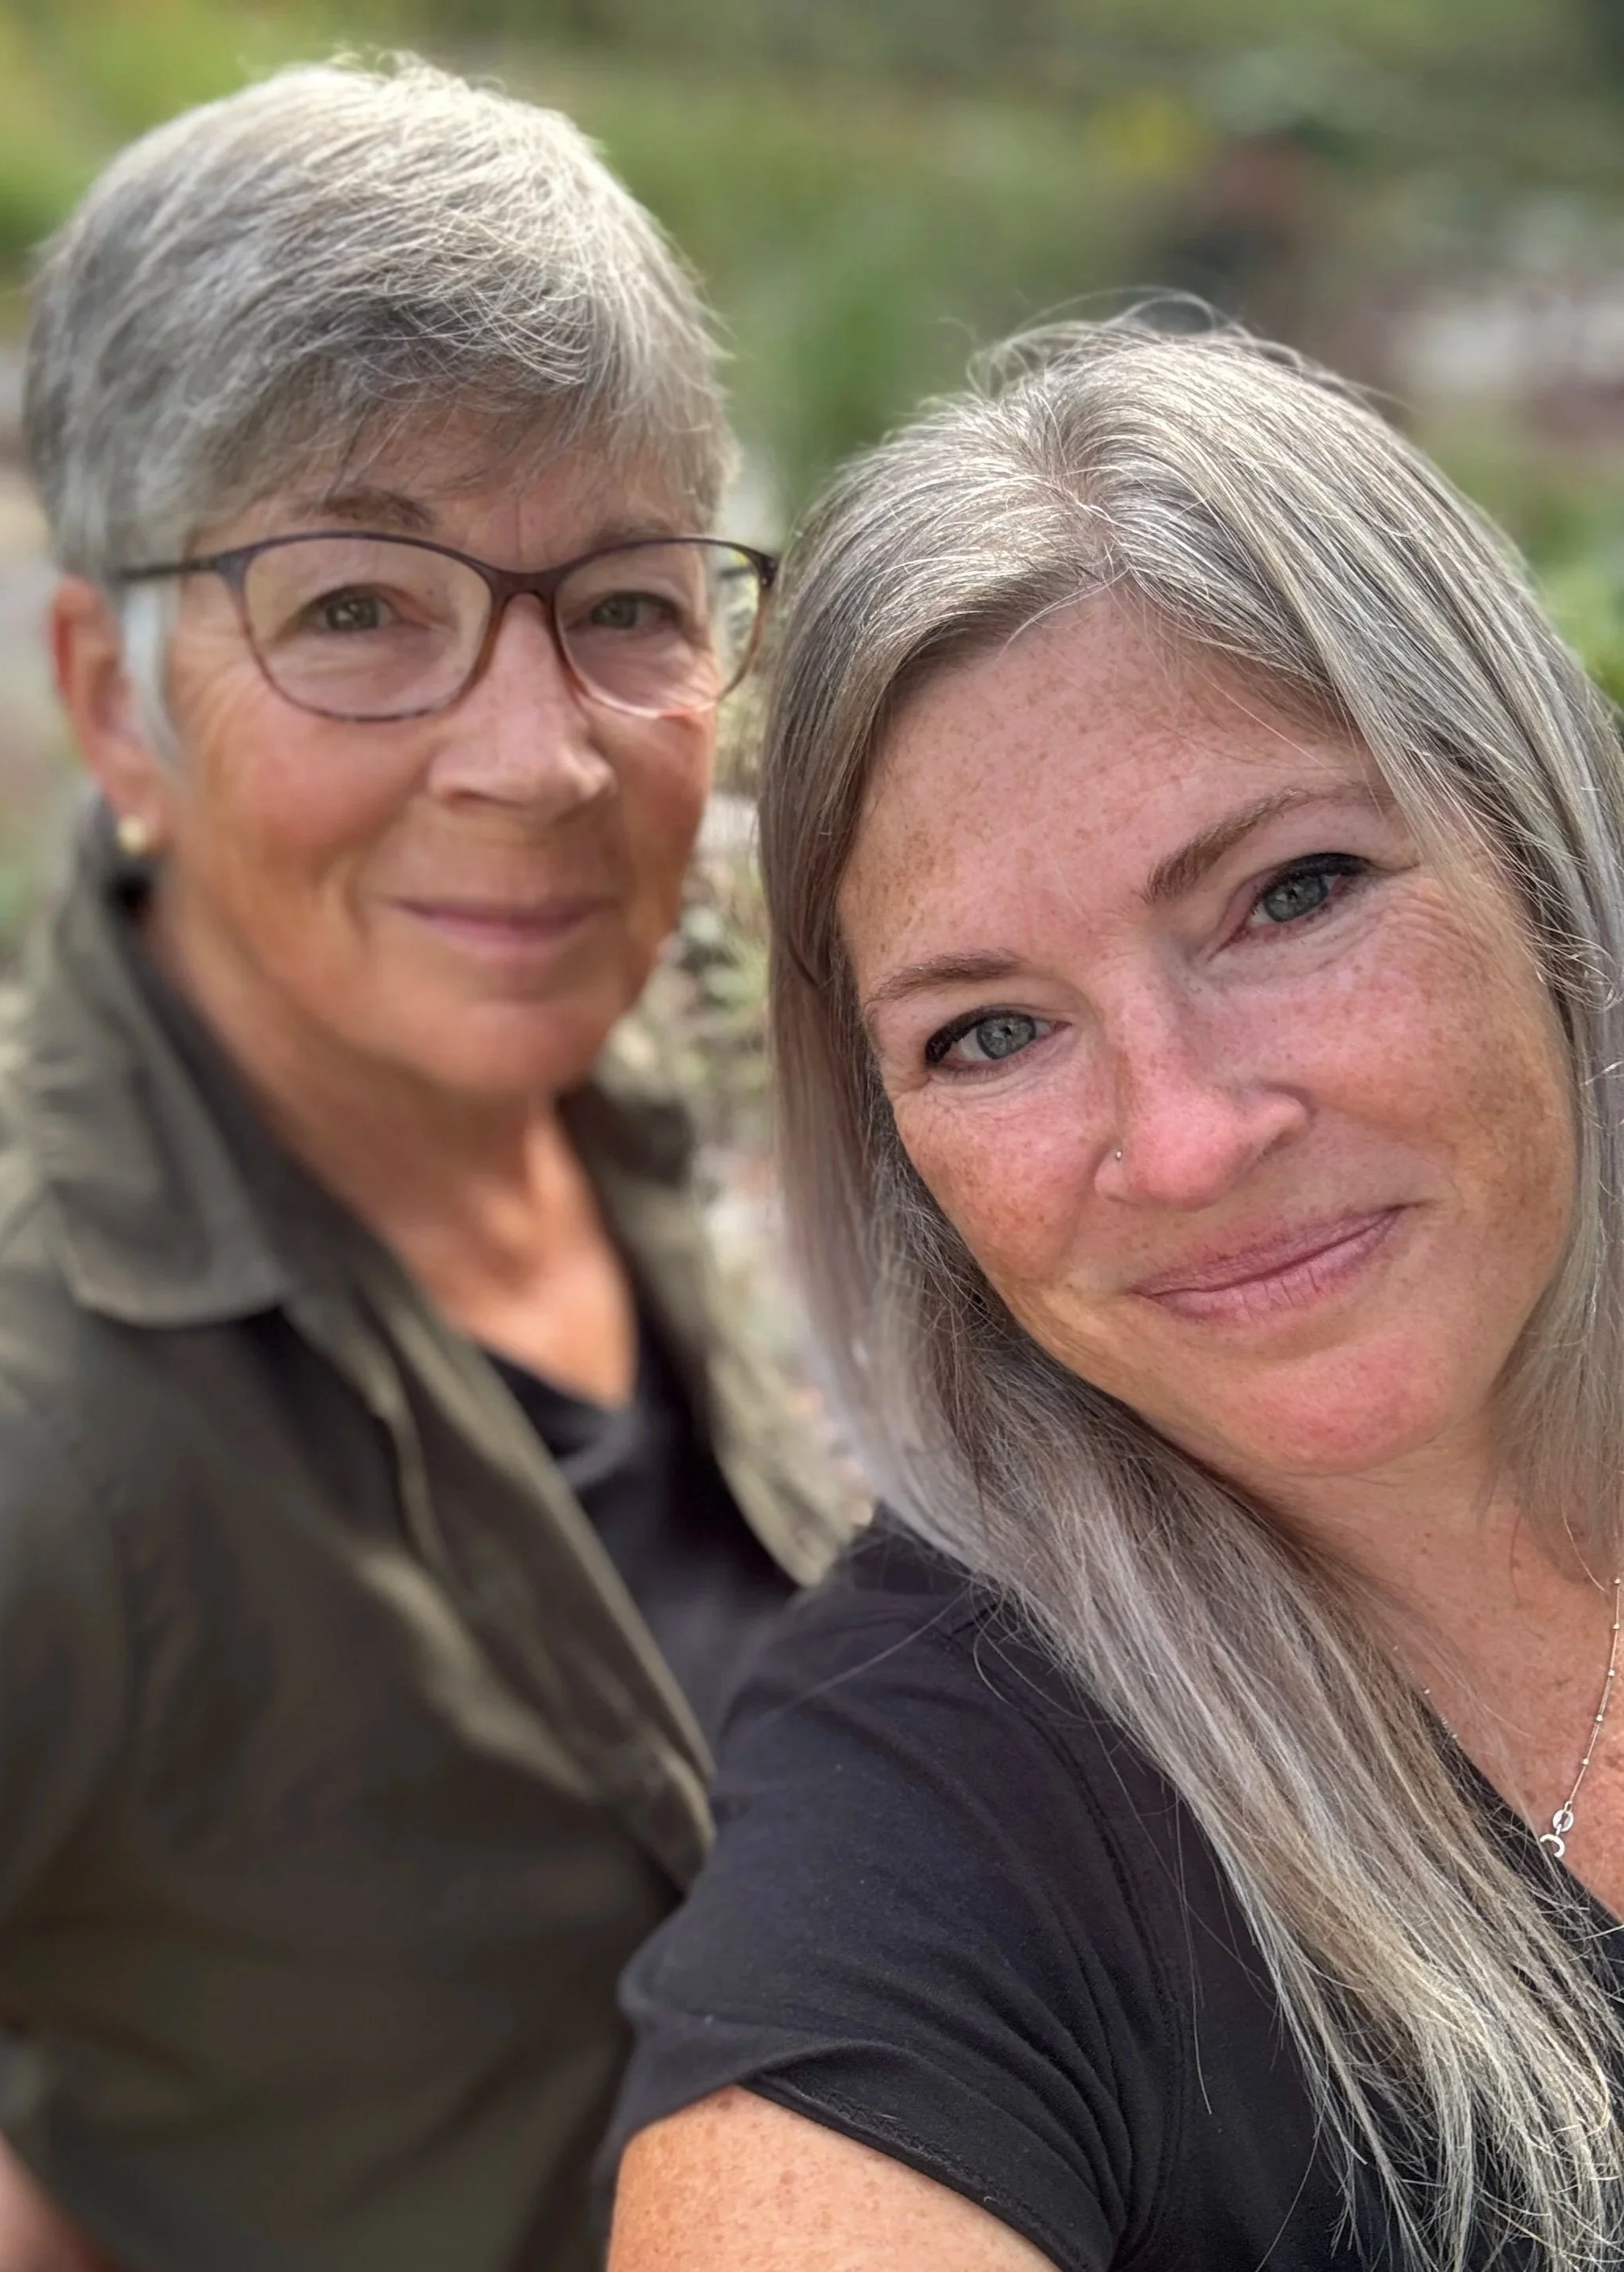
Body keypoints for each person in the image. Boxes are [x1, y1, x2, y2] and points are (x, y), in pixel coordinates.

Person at [0, 58, 844, 2272]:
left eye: (626, 602)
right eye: (355, 607)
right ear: (115, 701)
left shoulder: (619, 1068)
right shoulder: (10, 1421)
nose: (539, 760)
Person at [605, 320, 1624, 2272]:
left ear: (1542, 859)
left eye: (1290, 894)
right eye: (990, 1030)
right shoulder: (931, 1822)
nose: (1181, 1141)